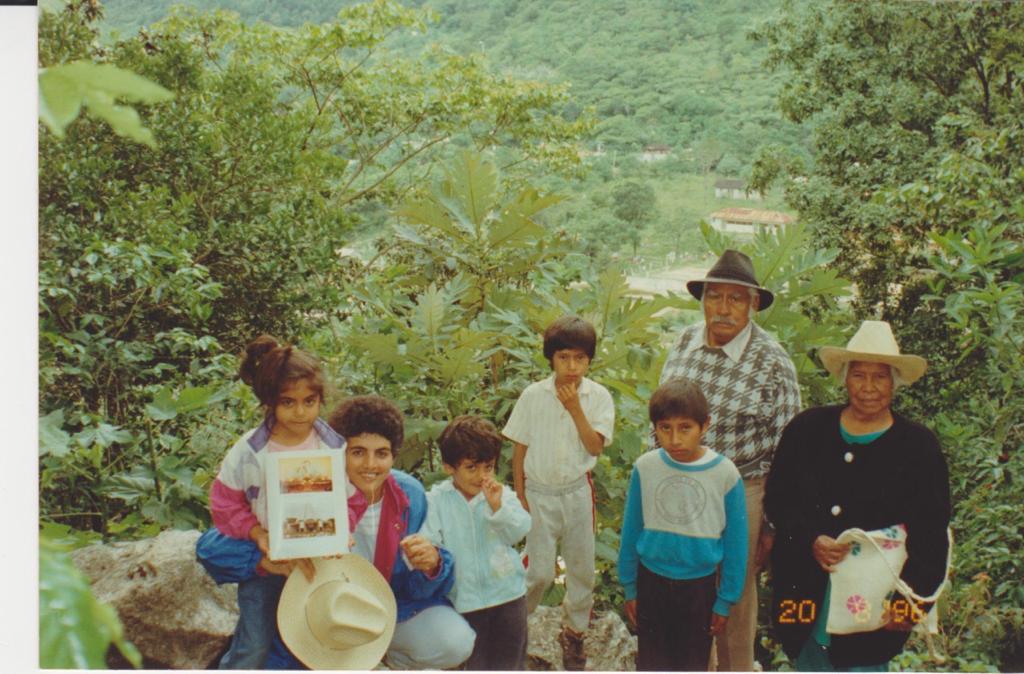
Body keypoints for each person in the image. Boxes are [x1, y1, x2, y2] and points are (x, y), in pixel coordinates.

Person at [197, 394, 476, 670]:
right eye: (357, 452)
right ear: (337, 453)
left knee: (455, 641)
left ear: (394, 455)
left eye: (382, 453)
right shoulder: (309, 485)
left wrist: (433, 564)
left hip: (380, 612)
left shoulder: (409, 496)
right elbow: (210, 547)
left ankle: (386, 661)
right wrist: (262, 554)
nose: (370, 465)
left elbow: (422, 586)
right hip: (315, 619)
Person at [764, 320, 951, 671]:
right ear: (844, 378)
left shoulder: (918, 447)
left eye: (879, 377)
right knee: (804, 659)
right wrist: (810, 538)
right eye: (858, 375)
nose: (868, 388)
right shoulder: (807, 430)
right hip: (802, 597)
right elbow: (779, 499)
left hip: (874, 614)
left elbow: (932, 530)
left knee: (865, 663)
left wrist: (909, 605)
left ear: (894, 382)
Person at [659, 249, 801, 671]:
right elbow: (661, 416)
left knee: (734, 595)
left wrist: (771, 526)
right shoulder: (684, 341)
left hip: (743, 490)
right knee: (682, 585)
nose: (722, 309)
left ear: (753, 304)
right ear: (702, 301)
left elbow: (787, 454)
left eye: (735, 298)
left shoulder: (774, 362)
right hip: (681, 484)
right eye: (713, 297)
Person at [204, 335, 344, 669]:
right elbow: (224, 503)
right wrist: (257, 534)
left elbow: (349, 499)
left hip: (317, 562)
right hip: (265, 567)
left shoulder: (333, 447)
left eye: (309, 401)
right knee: (253, 644)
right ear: (270, 401)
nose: (300, 412)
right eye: (288, 402)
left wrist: (342, 530)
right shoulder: (250, 452)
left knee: (310, 643)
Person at [504, 315, 615, 670]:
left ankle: (575, 632)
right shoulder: (534, 396)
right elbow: (519, 446)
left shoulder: (597, 397)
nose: (572, 366)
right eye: (564, 357)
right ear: (551, 358)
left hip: (576, 493)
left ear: (589, 361)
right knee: (538, 571)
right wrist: (520, 492)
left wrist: (575, 408)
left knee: (581, 566)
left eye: (580, 358)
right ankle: (513, 626)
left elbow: (595, 447)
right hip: (538, 492)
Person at [618, 377, 749, 671]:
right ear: (655, 428)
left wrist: (725, 599)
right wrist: (630, 586)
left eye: (685, 428)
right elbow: (632, 529)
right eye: (665, 428)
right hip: (651, 581)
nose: (674, 439)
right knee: (651, 662)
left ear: (705, 425)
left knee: (691, 663)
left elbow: (736, 543)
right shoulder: (646, 467)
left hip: (699, 588)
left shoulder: (725, 474)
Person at [420, 415, 532, 670]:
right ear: (449, 466)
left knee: (510, 664)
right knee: (474, 664)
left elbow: (520, 530)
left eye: (488, 467)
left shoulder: (500, 495)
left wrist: (498, 509)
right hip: (464, 602)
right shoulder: (436, 501)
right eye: (471, 468)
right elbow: (429, 542)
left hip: (509, 597)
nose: (482, 476)